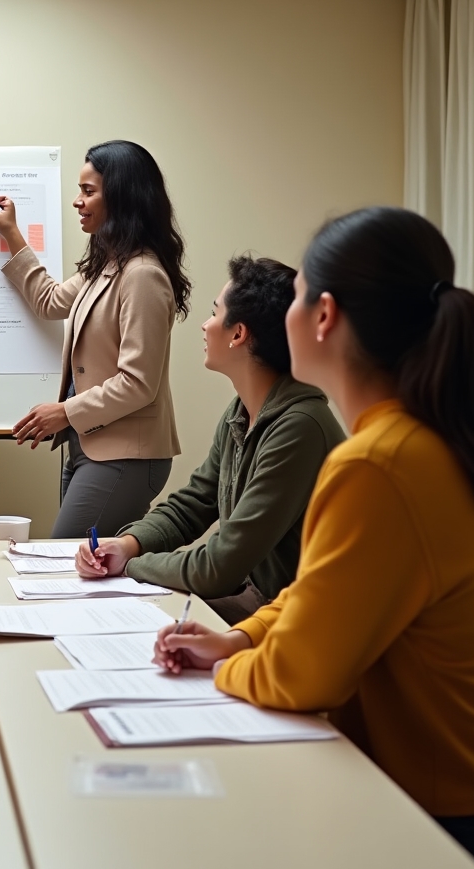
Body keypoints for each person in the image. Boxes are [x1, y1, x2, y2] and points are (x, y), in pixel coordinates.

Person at [154, 208, 474, 863]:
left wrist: (224, 666)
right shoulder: (416, 440)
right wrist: (238, 636)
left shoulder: (377, 463)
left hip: (440, 811)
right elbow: (323, 592)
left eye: (299, 295)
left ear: (325, 316)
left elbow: (301, 678)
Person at [76, 255, 345, 623]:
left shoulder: (299, 429)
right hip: (257, 604)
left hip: (291, 622)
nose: (205, 325)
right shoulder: (242, 412)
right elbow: (193, 505)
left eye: (215, 313)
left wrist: (132, 566)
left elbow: (219, 567)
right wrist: (127, 544)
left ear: (239, 334)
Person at [0, 140, 189, 537]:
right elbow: (49, 300)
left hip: (127, 454)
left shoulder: (142, 275)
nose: (77, 201)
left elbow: (138, 383)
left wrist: (64, 412)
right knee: (81, 568)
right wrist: (10, 232)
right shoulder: (107, 266)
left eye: (88, 191)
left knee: (64, 558)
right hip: (91, 447)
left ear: (123, 197)